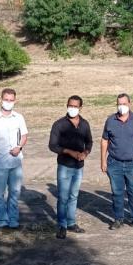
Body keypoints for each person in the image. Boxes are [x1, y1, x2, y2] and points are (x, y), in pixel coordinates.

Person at [0, 88, 28, 230]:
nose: (8, 102)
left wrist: (19, 147)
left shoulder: (19, 117)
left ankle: (13, 220)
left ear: (15, 101)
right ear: (1, 99)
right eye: (6, 99)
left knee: (15, 192)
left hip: (15, 162)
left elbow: (25, 135)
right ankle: (1, 220)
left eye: (11, 100)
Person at [48, 95, 93, 239]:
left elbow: (90, 142)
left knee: (74, 195)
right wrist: (69, 152)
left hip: (79, 166)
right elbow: (52, 145)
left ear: (80, 108)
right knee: (63, 197)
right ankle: (62, 225)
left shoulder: (85, 124)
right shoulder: (59, 124)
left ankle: (71, 222)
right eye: (70, 106)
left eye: (75, 106)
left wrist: (85, 153)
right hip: (64, 166)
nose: (72, 109)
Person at [101, 93, 133, 230]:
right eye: (119, 104)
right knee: (117, 192)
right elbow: (105, 141)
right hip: (114, 163)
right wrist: (103, 161)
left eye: (124, 104)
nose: (122, 106)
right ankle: (118, 218)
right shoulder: (110, 120)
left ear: (130, 104)